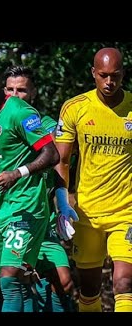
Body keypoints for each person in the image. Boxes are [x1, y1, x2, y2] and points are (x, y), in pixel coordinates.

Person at [0, 65, 75, 312]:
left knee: (14, 278)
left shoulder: (25, 116)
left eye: (22, 89)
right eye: (11, 89)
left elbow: (53, 157)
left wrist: (61, 204)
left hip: (27, 211)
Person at [54, 47, 132, 312]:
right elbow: (61, 161)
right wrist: (63, 205)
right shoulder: (75, 108)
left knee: (124, 282)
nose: (110, 82)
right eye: (103, 75)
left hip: (126, 211)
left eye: (116, 76)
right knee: (89, 289)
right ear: (93, 74)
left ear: (123, 75)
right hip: (87, 211)